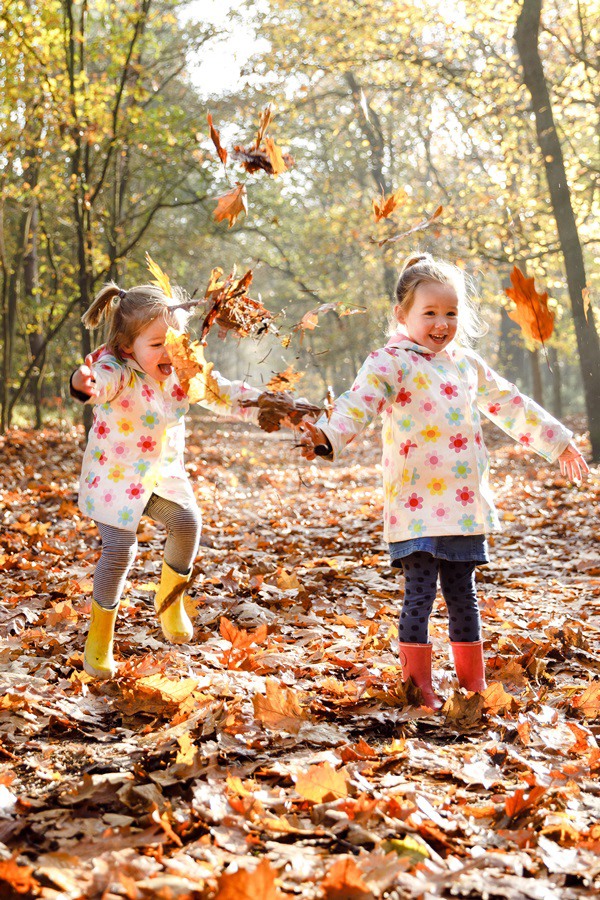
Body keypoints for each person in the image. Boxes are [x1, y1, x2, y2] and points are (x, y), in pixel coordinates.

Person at [299, 253, 589, 709]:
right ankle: (420, 688)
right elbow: (359, 402)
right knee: (419, 595)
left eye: (450, 313)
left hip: (462, 503)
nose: (441, 323)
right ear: (402, 315)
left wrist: (558, 443)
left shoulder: (465, 364)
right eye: (429, 313)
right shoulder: (390, 362)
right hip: (415, 504)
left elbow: (511, 404)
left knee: (463, 596)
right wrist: (329, 435)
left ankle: (472, 685)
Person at [70, 282, 267, 679]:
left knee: (187, 523)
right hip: (114, 477)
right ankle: (100, 638)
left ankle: (170, 598)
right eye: (156, 343)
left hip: (159, 477)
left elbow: (221, 393)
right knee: (121, 547)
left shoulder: (182, 371)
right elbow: (98, 383)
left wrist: (266, 405)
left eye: (175, 341)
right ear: (129, 348)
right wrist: (82, 383)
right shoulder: (116, 369)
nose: (169, 352)